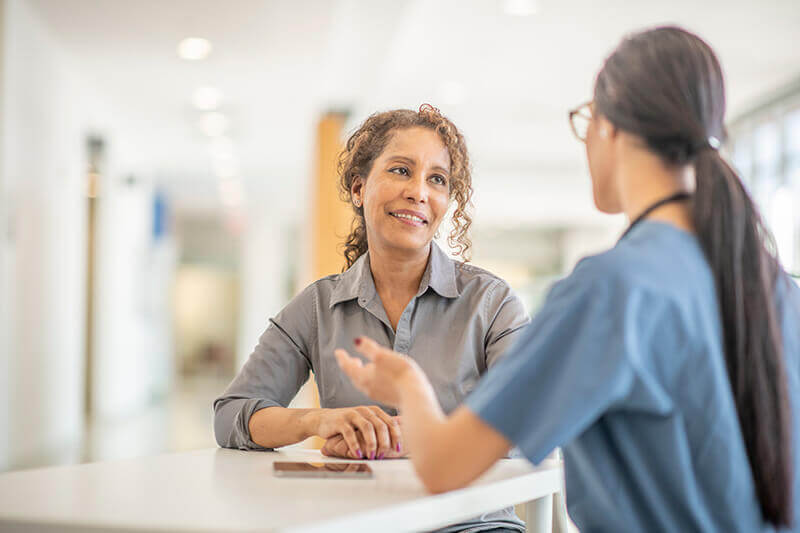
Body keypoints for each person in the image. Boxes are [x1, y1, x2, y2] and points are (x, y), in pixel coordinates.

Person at [335, 27, 800, 532]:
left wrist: (405, 383)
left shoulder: (611, 290)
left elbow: (446, 464)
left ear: (609, 129)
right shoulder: (774, 287)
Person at [214, 105, 529, 532]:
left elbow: (528, 420)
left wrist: (406, 441)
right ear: (359, 188)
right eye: (401, 170)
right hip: (353, 522)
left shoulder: (492, 303)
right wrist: (317, 421)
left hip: (472, 526)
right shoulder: (316, 306)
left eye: (437, 179)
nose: (419, 191)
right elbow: (233, 415)